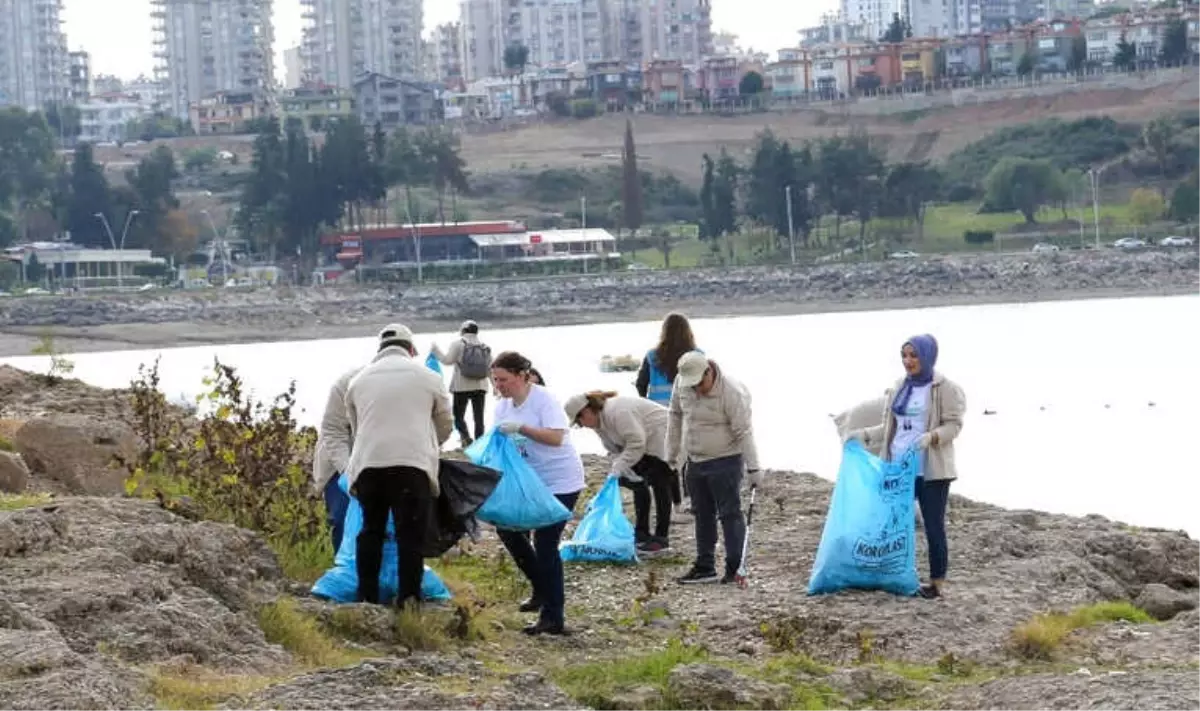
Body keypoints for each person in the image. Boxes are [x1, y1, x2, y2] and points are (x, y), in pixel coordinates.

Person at [846, 334, 966, 600]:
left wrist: (932, 437)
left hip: (931, 470)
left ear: (927, 356)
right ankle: (893, 573)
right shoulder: (900, 386)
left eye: (914, 356)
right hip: (898, 468)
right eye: (905, 356)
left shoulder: (945, 388)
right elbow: (890, 427)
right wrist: (864, 435)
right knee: (891, 523)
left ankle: (936, 583)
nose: (908, 361)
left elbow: (954, 425)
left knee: (933, 526)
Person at [344, 324, 454, 609]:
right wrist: (429, 445)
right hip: (412, 467)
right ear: (412, 349)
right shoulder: (429, 377)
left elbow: (357, 429)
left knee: (371, 530)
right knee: (410, 534)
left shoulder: (358, 381)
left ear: (379, 349)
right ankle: (409, 598)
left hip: (370, 465)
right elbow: (445, 424)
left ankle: (366, 597)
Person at [491, 351, 584, 636]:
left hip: (561, 481)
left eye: (503, 380)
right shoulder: (502, 407)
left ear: (522, 376)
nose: (498, 386)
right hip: (528, 481)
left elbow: (556, 438)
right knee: (508, 530)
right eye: (494, 380)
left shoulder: (543, 400)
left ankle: (553, 617)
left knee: (546, 544)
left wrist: (522, 428)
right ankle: (542, 588)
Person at [666, 350, 760, 585]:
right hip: (695, 460)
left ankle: (734, 566)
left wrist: (754, 469)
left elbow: (744, 431)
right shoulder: (682, 382)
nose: (697, 389)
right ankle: (705, 566)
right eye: (692, 386)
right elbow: (675, 414)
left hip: (726, 459)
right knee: (702, 513)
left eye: (700, 383)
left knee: (730, 513)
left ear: (709, 371)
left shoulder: (731, 391)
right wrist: (671, 452)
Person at [563, 391, 678, 555]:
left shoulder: (618, 411)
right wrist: (621, 467)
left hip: (664, 437)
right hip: (645, 444)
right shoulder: (598, 422)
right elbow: (613, 447)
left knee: (661, 482)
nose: (582, 425)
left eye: (580, 420)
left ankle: (661, 538)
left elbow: (637, 442)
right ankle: (642, 533)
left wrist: (620, 465)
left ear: (588, 410)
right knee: (637, 483)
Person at [313, 363, 362, 552]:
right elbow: (332, 431)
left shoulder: (404, 387)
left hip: (376, 462)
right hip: (338, 465)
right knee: (342, 518)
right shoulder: (347, 384)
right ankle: (344, 570)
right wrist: (348, 472)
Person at [432, 320, 493, 447]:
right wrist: (495, 386)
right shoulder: (484, 346)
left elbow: (447, 361)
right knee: (479, 417)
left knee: (458, 416)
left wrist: (435, 351)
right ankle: (480, 442)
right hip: (480, 386)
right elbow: (490, 369)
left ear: (463, 330)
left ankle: (466, 438)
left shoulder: (458, 344)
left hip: (461, 386)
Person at [636, 312, 698, 405]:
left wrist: (646, 405)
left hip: (658, 410)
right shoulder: (696, 355)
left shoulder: (652, 356)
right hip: (688, 409)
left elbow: (641, 384)